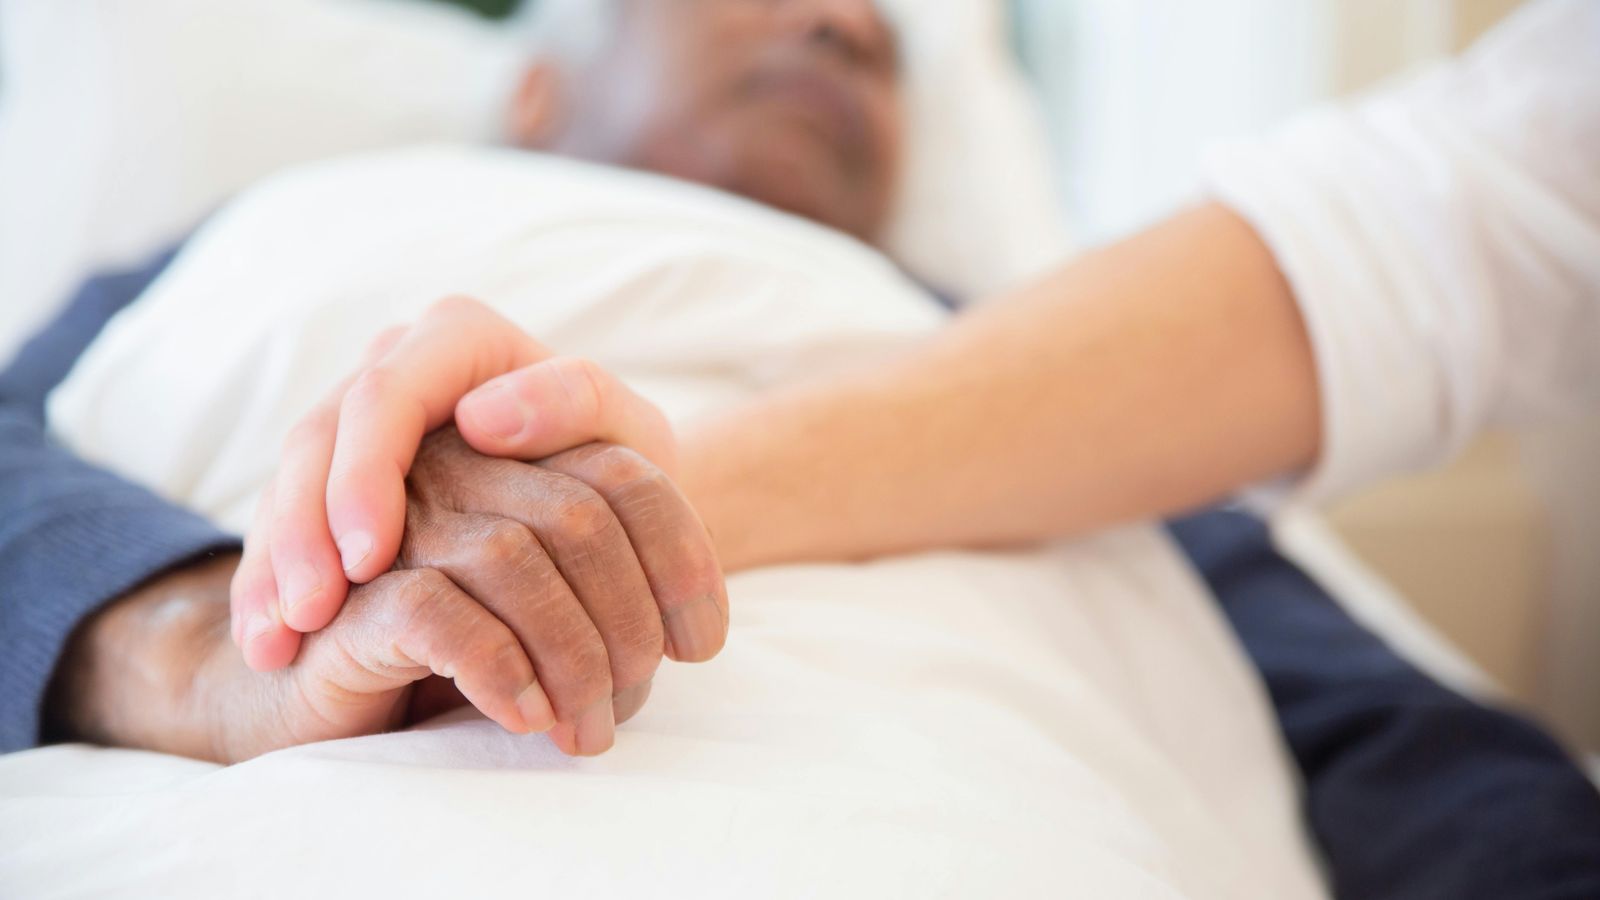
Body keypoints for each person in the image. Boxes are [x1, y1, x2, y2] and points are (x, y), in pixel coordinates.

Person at [1, 0, 1596, 897]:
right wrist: (201, 639)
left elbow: (1382, 737)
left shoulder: (1023, 368)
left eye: (888, 46)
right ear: (542, 89)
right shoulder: (260, 240)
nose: (846, 23)